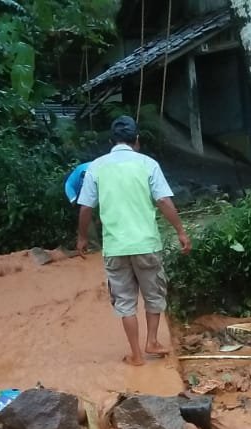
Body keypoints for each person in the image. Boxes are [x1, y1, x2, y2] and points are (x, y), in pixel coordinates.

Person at [75, 115, 191, 366]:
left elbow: (85, 208)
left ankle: (136, 355)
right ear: (136, 140)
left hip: (115, 247)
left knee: (125, 303)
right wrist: (181, 231)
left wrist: (82, 237)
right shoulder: (148, 164)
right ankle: (152, 341)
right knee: (154, 294)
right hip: (146, 244)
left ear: (111, 141)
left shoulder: (96, 167)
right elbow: (163, 201)